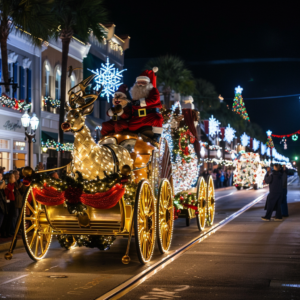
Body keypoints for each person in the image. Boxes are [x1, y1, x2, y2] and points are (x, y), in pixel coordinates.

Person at [129, 68, 163, 142]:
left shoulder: (153, 90)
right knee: (129, 126)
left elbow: (155, 100)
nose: (140, 85)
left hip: (150, 117)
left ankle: (157, 137)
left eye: (143, 82)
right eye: (139, 82)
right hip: (137, 118)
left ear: (148, 83)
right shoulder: (135, 94)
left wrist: (140, 102)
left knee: (157, 119)